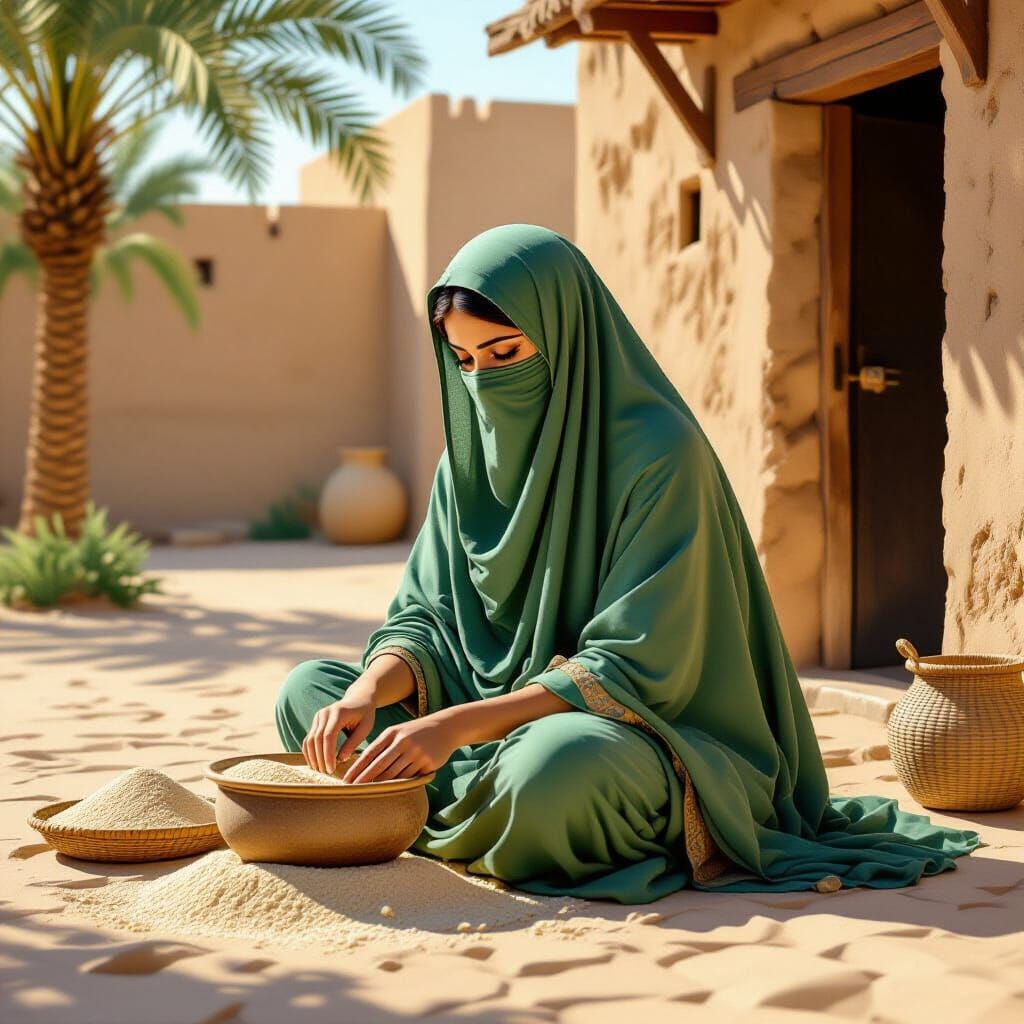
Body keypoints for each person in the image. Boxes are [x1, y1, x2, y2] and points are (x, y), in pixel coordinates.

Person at [275, 223, 983, 904]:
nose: (483, 380)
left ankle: (417, 807)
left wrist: (451, 730)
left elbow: (637, 664)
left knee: (553, 773)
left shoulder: (658, 453)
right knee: (310, 694)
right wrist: (368, 692)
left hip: (636, 731)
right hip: (480, 719)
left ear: (564, 336)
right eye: (464, 362)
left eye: (505, 353)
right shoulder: (466, 465)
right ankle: (459, 807)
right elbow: (427, 619)